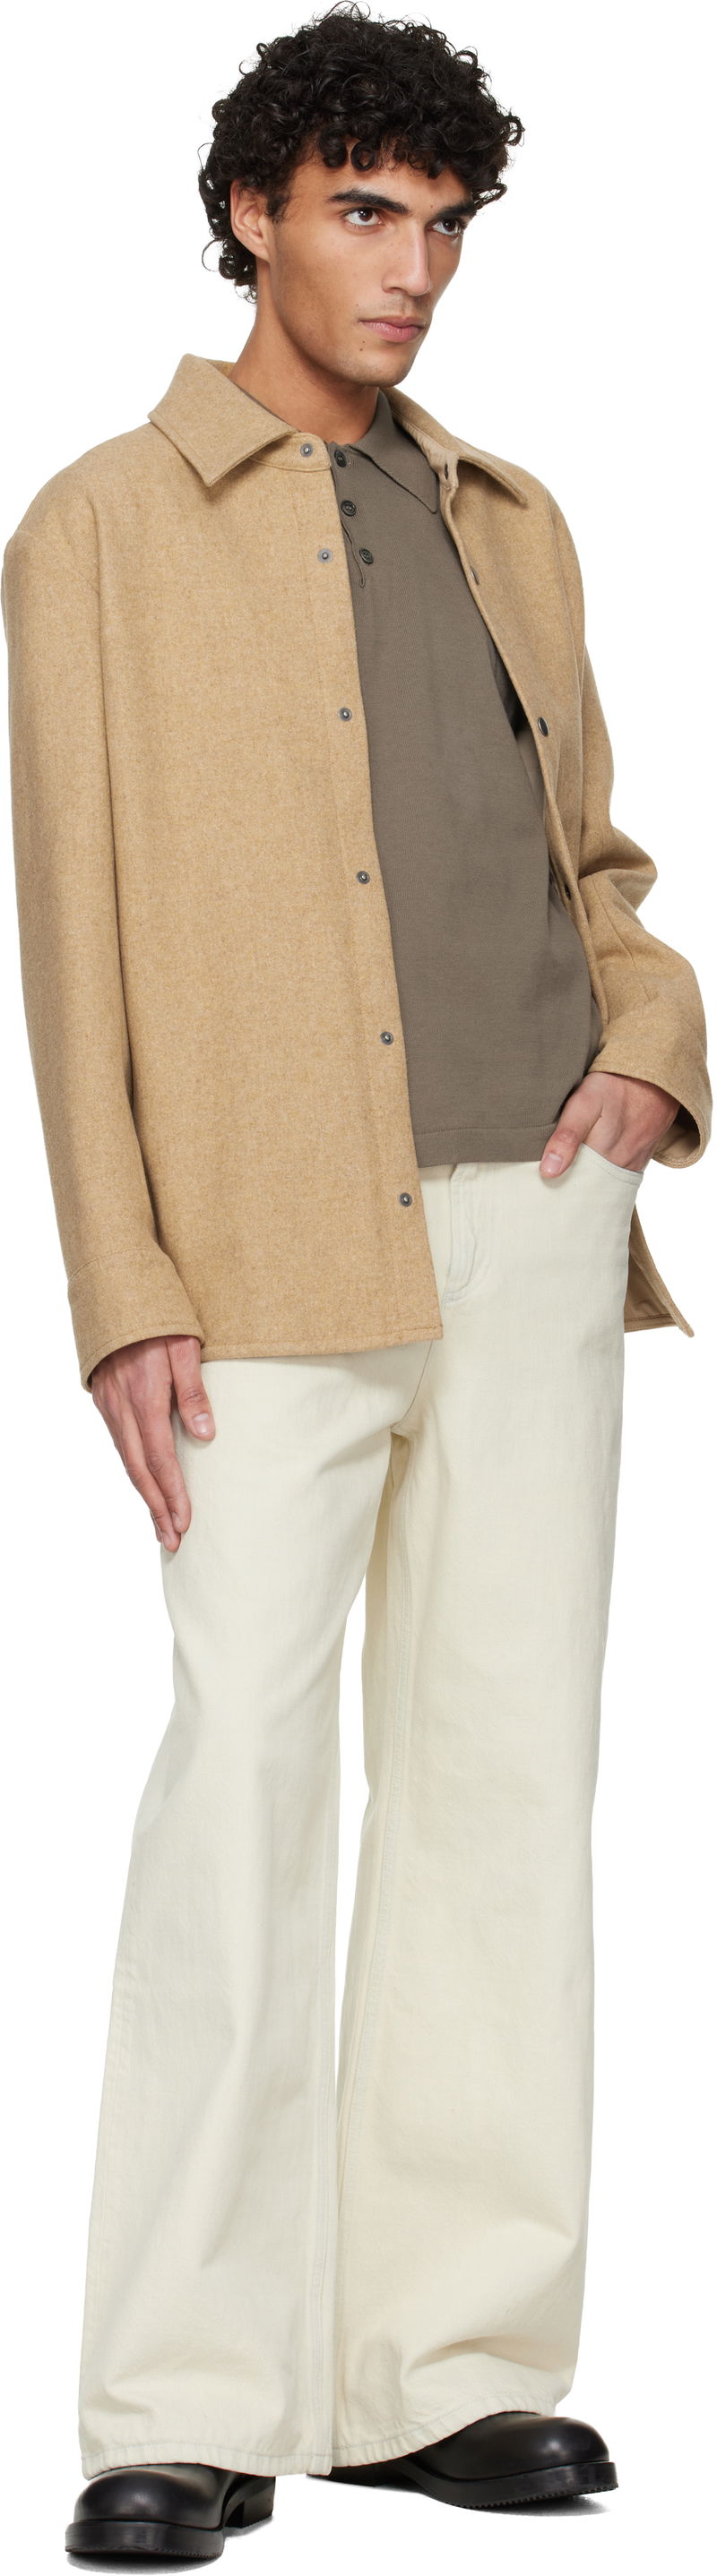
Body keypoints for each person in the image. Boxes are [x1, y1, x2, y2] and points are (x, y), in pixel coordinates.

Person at [2, 4, 711, 2557]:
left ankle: (448, 2366)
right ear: (255, 215)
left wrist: (653, 1050)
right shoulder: (103, 526)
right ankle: (179, 2394)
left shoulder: (514, 517)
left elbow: (596, 864)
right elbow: (70, 942)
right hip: (260, 1246)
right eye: (364, 212)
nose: (411, 268)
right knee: (242, 1792)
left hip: (535, 1215)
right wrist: (121, 1284)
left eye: (445, 223)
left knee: (506, 1790)